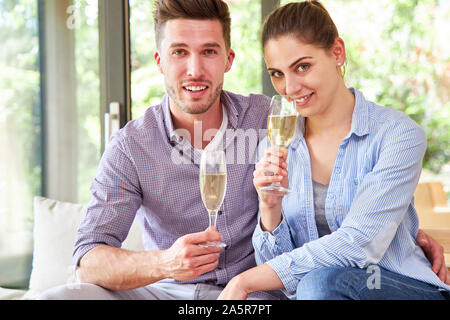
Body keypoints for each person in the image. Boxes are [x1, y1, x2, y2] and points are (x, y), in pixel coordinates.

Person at [38, 0, 445, 300]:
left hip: (252, 299)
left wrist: (403, 233)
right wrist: (164, 263)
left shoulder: (270, 120)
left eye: (209, 52)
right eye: (180, 52)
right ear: (160, 60)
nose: (195, 69)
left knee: (316, 289)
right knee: (60, 298)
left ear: (228, 59)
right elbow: (87, 260)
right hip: (165, 293)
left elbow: (350, 232)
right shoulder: (131, 146)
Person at [218, 1, 450, 300]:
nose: (289, 87)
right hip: (320, 293)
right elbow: (278, 276)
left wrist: (243, 282)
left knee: (319, 284)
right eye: (277, 73)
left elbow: (358, 243)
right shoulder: (276, 144)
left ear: (337, 52)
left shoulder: (398, 135)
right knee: (314, 286)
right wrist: (269, 207)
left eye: (303, 66)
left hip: (399, 287)